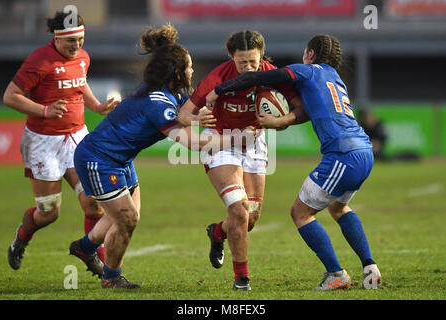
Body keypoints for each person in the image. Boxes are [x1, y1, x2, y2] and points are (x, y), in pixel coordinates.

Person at [69, 24, 248, 289]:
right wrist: (237, 137)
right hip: (98, 159)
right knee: (127, 218)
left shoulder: (174, 94)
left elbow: (185, 114)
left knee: (124, 216)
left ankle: (84, 247)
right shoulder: (158, 102)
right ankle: (112, 277)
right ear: (177, 72)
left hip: (120, 160)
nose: (192, 70)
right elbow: (192, 143)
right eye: (188, 67)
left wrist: (196, 116)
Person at [205, 34, 382, 290]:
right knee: (338, 209)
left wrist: (217, 90)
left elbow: (258, 77)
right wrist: (280, 121)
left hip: (342, 155)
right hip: (364, 151)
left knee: (300, 213)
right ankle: (370, 267)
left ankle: (336, 274)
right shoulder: (335, 78)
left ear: (310, 54)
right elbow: (310, 111)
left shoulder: (307, 72)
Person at [178, 30, 301, 290]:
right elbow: (183, 114)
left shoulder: (271, 73)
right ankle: (242, 280)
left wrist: (280, 121)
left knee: (250, 220)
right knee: (239, 210)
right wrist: (198, 118)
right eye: (241, 61)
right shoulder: (217, 77)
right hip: (221, 141)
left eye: (252, 62)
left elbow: (299, 107)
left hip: (254, 142)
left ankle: (218, 232)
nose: (247, 67)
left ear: (262, 57)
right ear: (231, 57)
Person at [3, 11, 119, 276]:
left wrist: (97, 106)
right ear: (57, 38)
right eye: (71, 41)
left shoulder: (83, 57)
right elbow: (10, 96)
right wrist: (44, 111)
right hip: (44, 142)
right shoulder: (39, 61)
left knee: (94, 203)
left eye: (80, 40)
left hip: (77, 138)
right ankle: (22, 238)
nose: (77, 46)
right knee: (49, 212)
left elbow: (81, 84)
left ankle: (95, 258)